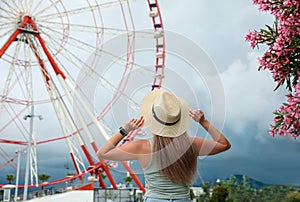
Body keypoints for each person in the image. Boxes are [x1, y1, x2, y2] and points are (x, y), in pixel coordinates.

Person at [97, 89, 231, 201]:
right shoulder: (191, 144)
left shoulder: (143, 147)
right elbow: (224, 144)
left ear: (151, 119)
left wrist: (124, 130)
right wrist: (204, 122)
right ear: (179, 120)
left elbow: (103, 153)